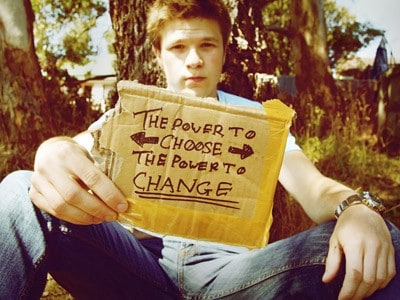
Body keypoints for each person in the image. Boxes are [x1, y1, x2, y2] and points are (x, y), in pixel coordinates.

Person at [0, 0, 399, 299]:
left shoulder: (260, 120)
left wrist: (357, 207)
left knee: (382, 240)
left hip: (235, 277)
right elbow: (71, 152)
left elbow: (315, 190)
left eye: (207, 45)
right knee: (19, 189)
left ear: (224, 52)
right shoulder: (129, 112)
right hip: (138, 267)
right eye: (177, 47)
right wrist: (51, 151)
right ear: (158, 56)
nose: (193, 60)